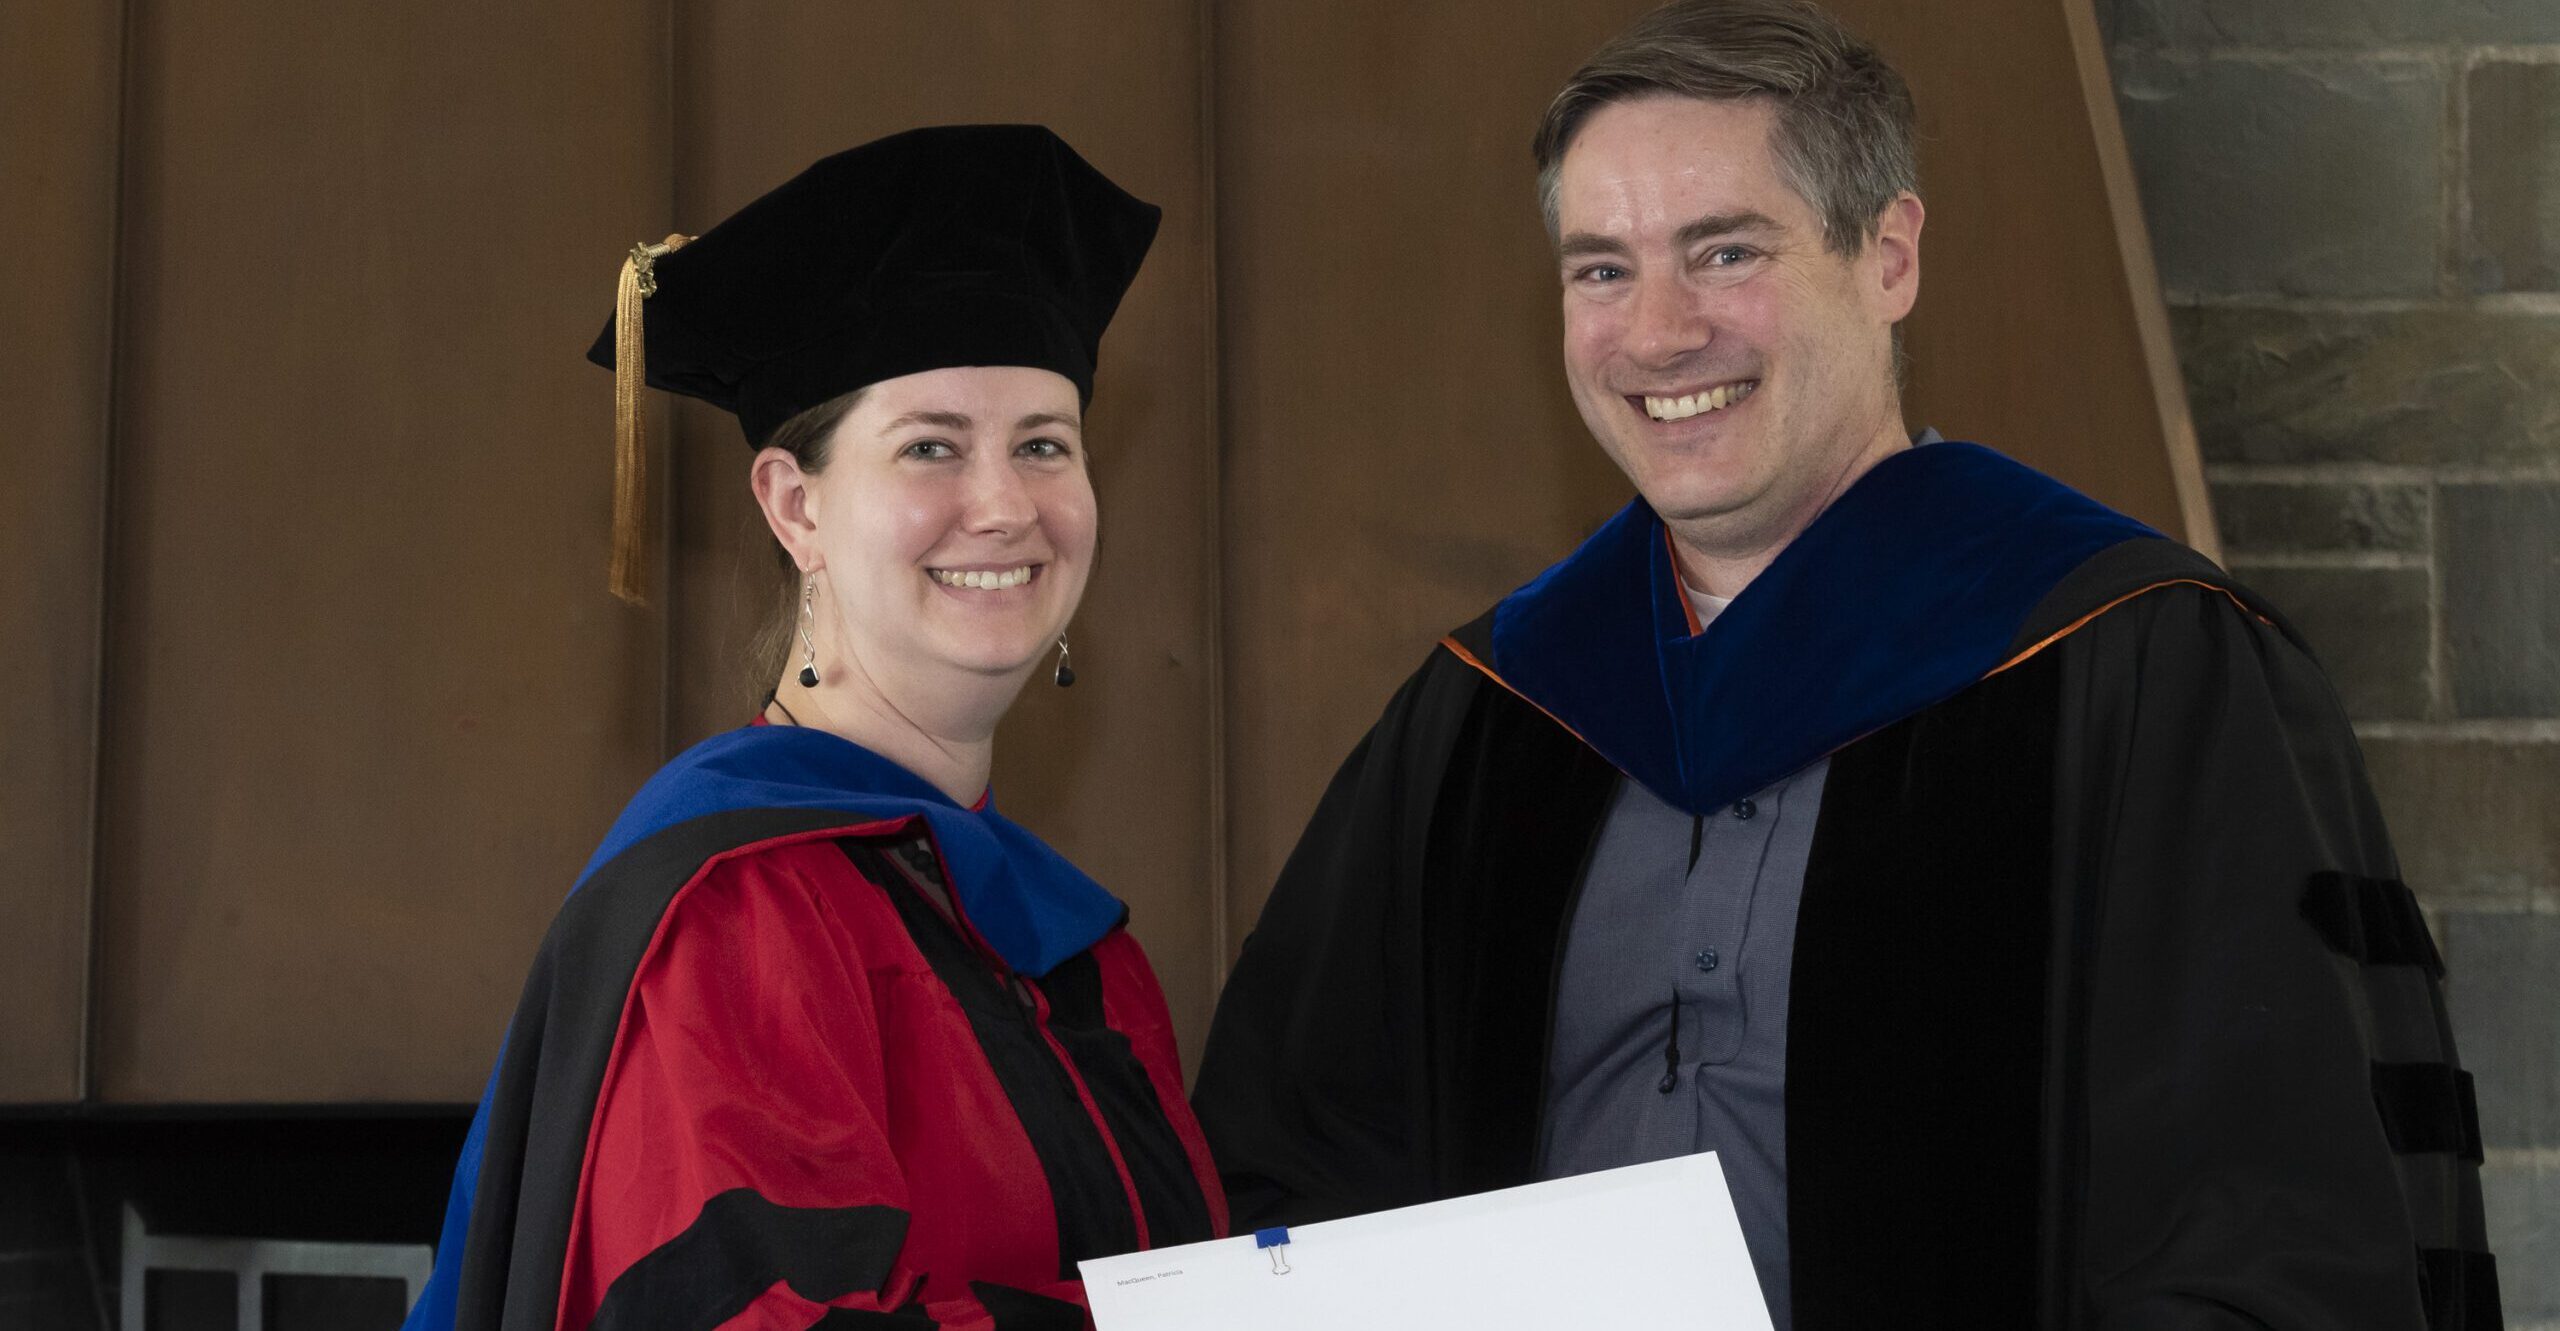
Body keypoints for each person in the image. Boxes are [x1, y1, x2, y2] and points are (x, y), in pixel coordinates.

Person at [1190, 3, 2501, 1327]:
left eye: (1724, 251)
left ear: (1889, 255)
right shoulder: (1491, 713)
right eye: (1601, 268)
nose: (1655, 332)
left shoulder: (2137, 662)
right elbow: (1290, 1164)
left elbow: (2279, 1226)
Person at [406, 125, 1226, 1331]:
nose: (1003, 506)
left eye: (1043, 445)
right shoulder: (738, 911)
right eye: (931, 446)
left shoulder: (1084, 952)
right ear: (797, 507)